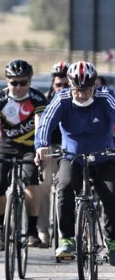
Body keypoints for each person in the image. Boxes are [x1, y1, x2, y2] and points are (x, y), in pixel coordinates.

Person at [35, 61, 115, 264]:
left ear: (94, 85)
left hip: (104, 157)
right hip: (73, 157)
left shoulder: (105, 97)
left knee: (111, 194)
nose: (82, 94)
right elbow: (45, 123)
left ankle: (112, 241)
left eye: (87, 89)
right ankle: (67, 238)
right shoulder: (61, 99)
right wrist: (41, 145)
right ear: (70, 86)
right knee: (64, 187)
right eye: (77, 90)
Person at [0, 59, 48, 250]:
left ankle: (31, 231)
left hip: (31, 147)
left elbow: (40, 125)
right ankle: (2, 227)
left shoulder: (37, 98)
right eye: (13, 82)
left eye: (22, 82)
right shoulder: (0, 99)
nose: (18, 87)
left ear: (29, 82)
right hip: (6, 146)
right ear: (7, 81)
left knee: (31, 182)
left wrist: (40, 149)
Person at [37, 61, 69, 247]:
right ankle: (42, 230)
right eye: (59, 85)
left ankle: (69, 231)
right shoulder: (44, 101)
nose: (62, 88)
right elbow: (40, 128)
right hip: (50, 148)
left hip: (69, 150)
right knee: (43, 186)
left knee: (69, 187)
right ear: (52, 84)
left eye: (66, 85)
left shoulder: (77, 100)